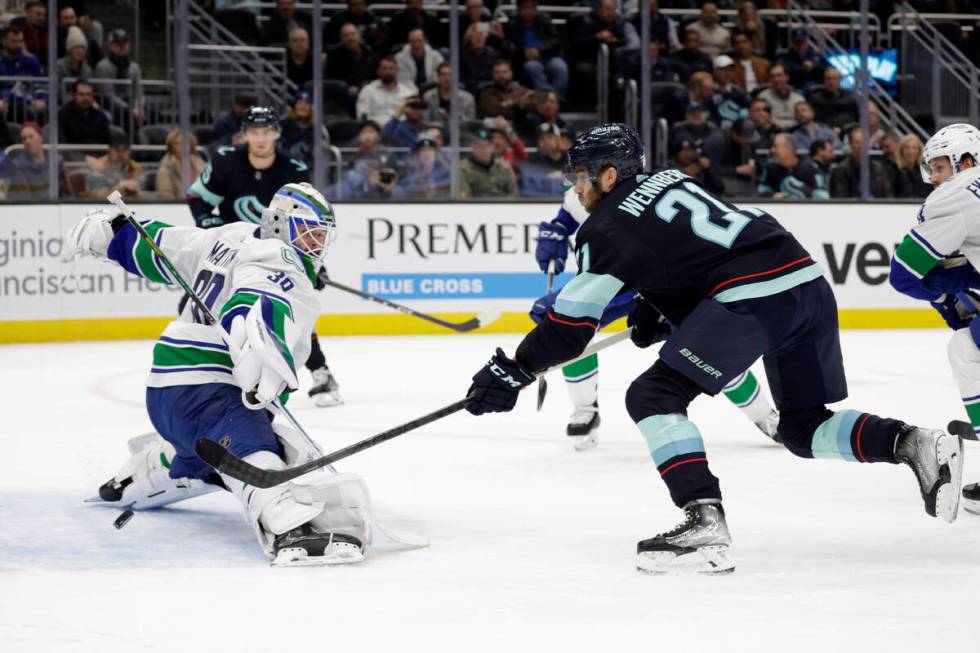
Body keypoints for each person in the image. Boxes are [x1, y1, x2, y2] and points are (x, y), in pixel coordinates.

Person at [463, 123, 963, 575]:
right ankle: (912, 442)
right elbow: (694, 250)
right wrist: (662, 307)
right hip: (805, 282)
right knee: (802, 425)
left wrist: (515, 368)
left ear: (610, 175)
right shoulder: (671, 180)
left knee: (652, 396)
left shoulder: (605, 228)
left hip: (751, 297)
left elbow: (568, 327)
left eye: (582, 178)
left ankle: (703, 516)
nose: (577, 188)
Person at [62, 183, 372, 566]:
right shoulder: (280, 257)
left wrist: (117, 233)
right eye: (307, 231)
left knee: (203, 454)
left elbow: (160, 246)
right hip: (209, 388)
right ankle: (289, 524)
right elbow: (260, 295)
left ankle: (140, 476)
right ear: (278, 222)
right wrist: (258, 331)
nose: (314, 243)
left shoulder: (230, 236)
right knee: (253, 448)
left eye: (320, 235)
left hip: (167, 392)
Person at [532, 187, 780, 447]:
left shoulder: (642, 196)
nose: (578, 183)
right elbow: (568, 216)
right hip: (613, 282)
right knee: (567, 320)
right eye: (575, 174)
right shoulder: (578, 194)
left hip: (666, 281)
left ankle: (764, 415)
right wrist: (556, 231)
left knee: (707, 352)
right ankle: (585, 408)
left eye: (584, 173)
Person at [186, 107, 341, 408]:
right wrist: (211, 226)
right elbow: (197, 198)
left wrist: (314, 265)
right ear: (244, 134)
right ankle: (204, 376)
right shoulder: (225, 161)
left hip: (281, 256)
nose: (260, 139)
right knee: (202, 307)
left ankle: (320, 372)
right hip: (235, 251)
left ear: (276, 134)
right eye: (254, 132)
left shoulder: (293, 170)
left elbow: (309, 224)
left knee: (290, 309)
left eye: (267, 132)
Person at [888, 123, 980, 515]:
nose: (935, 179)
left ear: (968, 161)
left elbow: (904, 274)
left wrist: (944, 295)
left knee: (965, 349)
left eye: (940, 167)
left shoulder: (957, 194)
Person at [506, 0, 568, 100]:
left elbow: (555, 40)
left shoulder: (544, 19)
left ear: (535, 9)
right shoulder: (513, 23)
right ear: (519, 10)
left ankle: (557, 99)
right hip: (525, 59)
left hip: (546, 55)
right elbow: (511, 43)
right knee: (532, 67)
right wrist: (523, 51)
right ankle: (546, 98)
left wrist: (539, 50)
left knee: (560, 66)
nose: (528, 11)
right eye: (525, 8)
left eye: (531, 8)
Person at [0, 122, 68, 200]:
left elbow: (64, 191)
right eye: (24, 138)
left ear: (41, 137)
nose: (27, 141)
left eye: (31, 137)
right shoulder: (16, 165)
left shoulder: (57, 161)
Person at [93, 29, 144, 129]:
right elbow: (109, 95)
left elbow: (139, 91)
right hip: (110, 106)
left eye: (124, 43)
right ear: (110, 45)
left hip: (130, 104)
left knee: (153, 113)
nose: (122, 47)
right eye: (118, 44)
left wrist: (139, 107)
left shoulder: (134, 67)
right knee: (124, 115)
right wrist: (129, 109)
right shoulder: (102, 66)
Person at [757, 133, 829, 200]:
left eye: (775, 146)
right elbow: (761, 192)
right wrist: (772, 197)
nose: (772, 150)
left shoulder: (811, 167)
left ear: (788, 148)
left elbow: (822, 194)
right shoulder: (770, 169)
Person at [829, 126, 894, 198]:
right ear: (850, 145)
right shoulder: (840, 170)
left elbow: (887, 195)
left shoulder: (878, 167)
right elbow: (840, 199)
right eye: (857, 142)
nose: (861, 146)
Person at [0, 25, 46, 122]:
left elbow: (41, 84)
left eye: (20, 41)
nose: (18, 45)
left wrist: (40, 99)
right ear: (4, 42)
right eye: (13, 41)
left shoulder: (31, 60)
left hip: (28, 105)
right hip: (5, 105)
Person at [355, 56, 417, 127]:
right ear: (378, 71)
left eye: (391, 68)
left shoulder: (408, 92)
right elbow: (362, 115)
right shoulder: (368, 91)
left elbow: (414, 116)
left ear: (397, 71)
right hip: (376, 130)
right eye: (384, 68)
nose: (388, 72)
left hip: (401, 129)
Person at [460, 128, 517, 198]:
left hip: (503, 206)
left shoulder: (504, 167)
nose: (483, 149)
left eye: (487, 145)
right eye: (479, 146)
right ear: (473, 146)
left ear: (493, 147)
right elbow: (464, 198)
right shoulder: (463, 169)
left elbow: (513, 193)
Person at [85, 131, 143, 199]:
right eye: (117, 150)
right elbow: (98, 198)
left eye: (124, 150)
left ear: (129, 151)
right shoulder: (98, 168)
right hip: (96, 207)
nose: (121, 154)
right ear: (109, 150)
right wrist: (118, 188)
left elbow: (141, 195)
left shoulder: (135, 168)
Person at [394, 132, 451, 199]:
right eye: (422, 150)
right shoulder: (410, 174)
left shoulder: (443, 173)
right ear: (418, 154)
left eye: (429, 149)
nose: (426, 153)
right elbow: (403, 191)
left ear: (435, 153)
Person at [155, 128, 206, 200]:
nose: (183, 146)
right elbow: (166, 197)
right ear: (171, 146)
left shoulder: (200, 164)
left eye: (187, 142)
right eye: (178, 144)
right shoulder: (165, 170)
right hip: (180, 208)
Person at [423, 61, 477, 127]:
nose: (447, 78)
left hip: (460, 132)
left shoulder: (468, 98)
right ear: (438, 77)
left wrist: (460, 117)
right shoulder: (428, 97)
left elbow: (471, 124)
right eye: (443, 74)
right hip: (436, 131)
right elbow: (425, 122)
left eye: (450, 74)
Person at [807, 67, 858, 135]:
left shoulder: (851, 97)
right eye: (828, 79)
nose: (831, 82)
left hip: (848, 132)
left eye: (834, 78)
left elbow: (857, 118)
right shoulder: (816, 98)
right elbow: (814, 120)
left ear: (840, 79)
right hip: (822, 133)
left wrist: (842, 128)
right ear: (824, 80)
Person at [58, 79, 110, 145]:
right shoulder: (63, 114)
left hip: (97, 153)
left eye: (88, 95)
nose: (85, 98)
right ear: (74, 95)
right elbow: (63, 143)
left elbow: (106, 141)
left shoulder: (100, 116)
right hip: (72, 153)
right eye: (81, 94)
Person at [756, 64, 805, 130]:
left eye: (779, 75)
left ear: (787, 77)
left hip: (797, 132)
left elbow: (804, 119)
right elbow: (761, 120)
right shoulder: (763, 97)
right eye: (772, 76)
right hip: (773, 132)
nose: (776, 79)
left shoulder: (798, 99)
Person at [777, 28, 824, 93]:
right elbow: (784, 72)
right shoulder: (785, 57)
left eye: (802, 42)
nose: (800, 46)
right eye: (797, 43)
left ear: (806, 42)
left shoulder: (816, 56)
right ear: (792, 43)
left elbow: (828, 69)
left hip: (815, 91)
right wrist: (802, 69)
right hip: (793, 90)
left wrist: (814, 67)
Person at [730, 28, 769, 94]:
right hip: (741, 98)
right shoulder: (730, 66)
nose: (741, 45)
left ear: (751, 44)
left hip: (761, 96)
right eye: (737, 43)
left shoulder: (764, 63)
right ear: (734, 47)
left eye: (744, 42)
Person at [894, 134, 933, 199]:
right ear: (901, 150)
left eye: (914, 148)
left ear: (919, 150)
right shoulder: (894, 169)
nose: (911, 151)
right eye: (907, 148)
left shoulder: (926, 168)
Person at [279, 91, 314, 163]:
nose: (303, 107)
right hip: (287, 161)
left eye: (307, 104)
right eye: (300, 103)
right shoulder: (284, 123)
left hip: (308, 163)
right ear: (294, 106)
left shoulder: (315, 126)